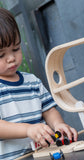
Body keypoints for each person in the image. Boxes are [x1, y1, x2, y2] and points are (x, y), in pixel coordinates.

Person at [0, 7, 78, 160]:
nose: (11, 58)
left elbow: (48, 111)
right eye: (1, 54)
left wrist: (58, 126)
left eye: (15, 49)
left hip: (43, 154)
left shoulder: (32, 81)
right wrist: (28, 130)